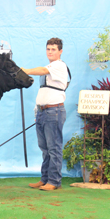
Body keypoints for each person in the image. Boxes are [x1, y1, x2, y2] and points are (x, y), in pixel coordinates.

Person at [21, 37, 69, 191]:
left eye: (53, 49)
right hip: (43, 112)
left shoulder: (59, 66)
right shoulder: (50, 66)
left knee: (54, 147)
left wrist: (26, 71)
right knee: (45, 148)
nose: (50, 51)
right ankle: (45, 179)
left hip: (53, 111)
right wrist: (37, 111)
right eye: (48, 49)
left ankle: (54, 181)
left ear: (60, 51)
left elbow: (42, 70)